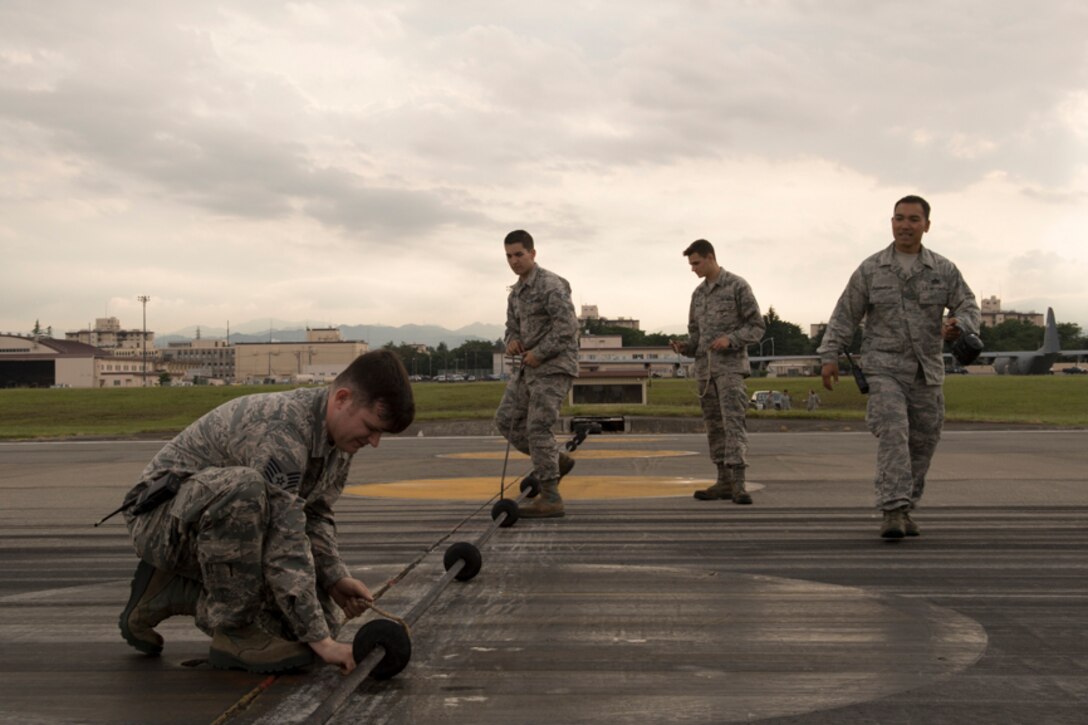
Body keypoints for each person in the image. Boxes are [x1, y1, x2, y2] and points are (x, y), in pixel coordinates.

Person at [118, 350, 415, 673]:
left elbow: (315, 514)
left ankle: (168, 592)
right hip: (159, 522)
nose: (374, 442)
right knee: (245, 489)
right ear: (342, 399)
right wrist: (323, 643)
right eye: (371, 428)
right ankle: (234, 631)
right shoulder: (283, 430)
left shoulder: (337, 440)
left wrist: (334, 577)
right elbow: (283, 539)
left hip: (214, 525)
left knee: (311, 630)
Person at [817, 195, 979, 539]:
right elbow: (846, 313)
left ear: (926, 225)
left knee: (923, 441)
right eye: (899, 218)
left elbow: (968, 305)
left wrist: (959, 324)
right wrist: (829, 355)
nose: (905, 225)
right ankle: (891, 508)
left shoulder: (943, 270)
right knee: (893, 433)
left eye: (913, 219)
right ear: (891, 222)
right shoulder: (871, 269)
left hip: (927, 371)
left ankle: (906, 507)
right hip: (884, 367)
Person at [671, 239, 765, 504]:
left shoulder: (737, 285)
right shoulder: (698, 295)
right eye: (691, 264)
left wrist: (731, 339)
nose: (693, 269)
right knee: (714, 427)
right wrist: (685, 347)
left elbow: (757, 326)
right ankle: (722, 480)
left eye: (696, 263)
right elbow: (697, 337)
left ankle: (738, 483)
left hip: (730, 370)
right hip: (705, 372)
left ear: (711, 258)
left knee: (733, 423)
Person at [494, 229, 580, 518]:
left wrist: (539, 353)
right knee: (506, 420)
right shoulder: (516, 293)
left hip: (554, 367)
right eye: (508, 256)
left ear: (533, 253)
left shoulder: (551, 286)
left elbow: (568, 330)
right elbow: (511, 327)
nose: (514, 261)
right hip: (527, 369)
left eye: (519, 254)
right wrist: (512, 342)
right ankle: (555, 461)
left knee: (538, 427)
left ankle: (551, 497)